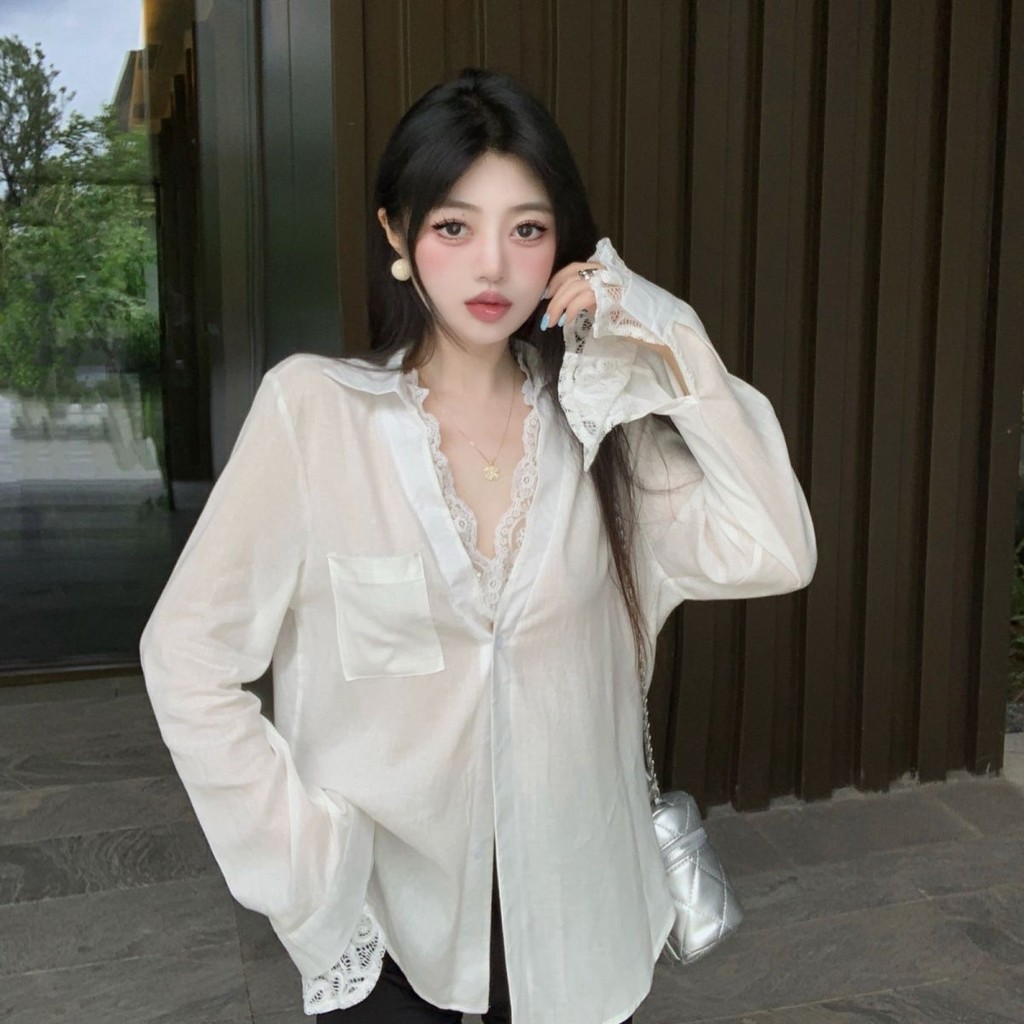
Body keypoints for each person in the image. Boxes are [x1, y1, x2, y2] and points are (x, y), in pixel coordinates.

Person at [139, 68, 816, 1024]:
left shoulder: (602, 431)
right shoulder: (314, 415)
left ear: (564, 246)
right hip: (390, 930)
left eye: (527, 230)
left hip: (575, 922)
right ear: (397, 233)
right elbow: (187, 655)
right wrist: (306, 874)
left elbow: (776, 546)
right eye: (455, 228)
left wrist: (671, 340)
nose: (493, 267)